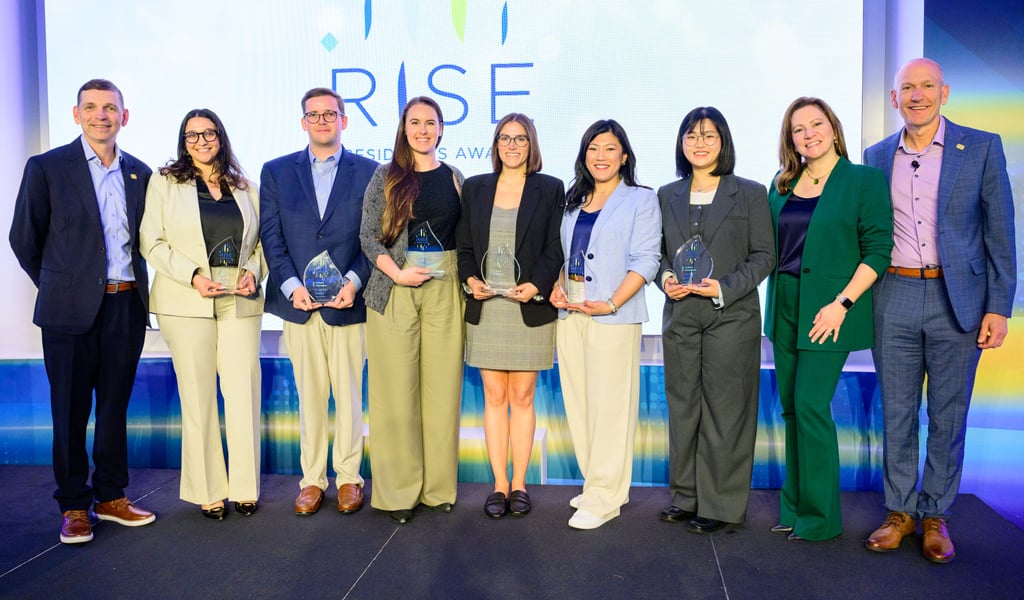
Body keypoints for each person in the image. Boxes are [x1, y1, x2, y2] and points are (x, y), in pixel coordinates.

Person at [863, 58, 1016, 563]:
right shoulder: (877, 155)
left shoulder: (983, 147)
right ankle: (899, 512)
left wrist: (1000, 306)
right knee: (898, 411)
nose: (917, 95)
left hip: (960, 300)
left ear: (944, 92)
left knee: (949, 414)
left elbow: (1000, 233)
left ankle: (935, 515)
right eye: (907, 88)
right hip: (896, 295)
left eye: (927, 86)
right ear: (894, 98)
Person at [10, 79, 156, 543]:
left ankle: (111, 496)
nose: (101, 116)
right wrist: (62, 286)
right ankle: (73, 503)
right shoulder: (48, 168)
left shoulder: (141, 173)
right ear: (76, 115)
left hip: (125, 306)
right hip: (68, 312)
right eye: (91, 108)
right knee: (69, 411)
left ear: (124, 117)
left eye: (110, 108)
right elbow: (24, 239)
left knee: (113, 409)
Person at [764, 97, 893, 542]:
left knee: (812, 407)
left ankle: (820, 519)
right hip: (784, 304)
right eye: (798, 129)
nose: (808, 134)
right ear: (791, 140)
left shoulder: (863, 180)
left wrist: (842, 303)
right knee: (791, 410)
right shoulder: (781, 185)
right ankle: (794, 508)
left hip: (829, 309)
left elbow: (878, 249)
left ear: (833, 129)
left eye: (816, 124)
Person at [656, 107, 776, 533]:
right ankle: (686, 496)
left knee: (726, 412)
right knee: (683, 408)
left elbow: (764, 255)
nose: (699, 143)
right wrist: (666, 277)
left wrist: (724, 286)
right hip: (681, 316)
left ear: (723, 142)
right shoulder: (666, 194)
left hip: (731, 316)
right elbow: (657, 255)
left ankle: (720, 505)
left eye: (709, 135)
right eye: (691, 135)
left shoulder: (750, 192)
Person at [140, 109, 263, 520]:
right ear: (183, 141)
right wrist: (192, 275)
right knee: (198, 396)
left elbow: (262, 245)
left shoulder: (245, 187)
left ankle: (245, 487)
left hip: (238, 299)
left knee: (242, 392)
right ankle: (209, 490)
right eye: (192, 135)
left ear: (221, 137)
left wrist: (253, 273)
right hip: (186, 300)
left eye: (208, 133)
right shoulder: (164, 182)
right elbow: (150, 242)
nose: (201, 141)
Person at [261, 88, 378, 517]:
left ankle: (349, 478)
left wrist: (353, 282)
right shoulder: (276, 172)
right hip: (300, 305)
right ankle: (312, 480)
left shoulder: (369, 172)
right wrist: (292, 285)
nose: (323, 121)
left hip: (349, 304)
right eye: (314, 114)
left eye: (331, 114)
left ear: (344, 120)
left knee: (348, 396)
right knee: (310, 398)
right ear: (303, 122)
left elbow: (374, 238)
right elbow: (271, 237)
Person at [549, 119, 661, 530]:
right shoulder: (572, 200)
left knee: (611, 408)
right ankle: (596, 483)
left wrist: (612, 303)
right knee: (580, 405)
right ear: (584, 155)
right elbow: (565, 255)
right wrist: (557, 288)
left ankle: (606, 496)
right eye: (594, 148)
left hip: (613, 316)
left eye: (610, 148)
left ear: (624, 156)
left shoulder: (641, 200)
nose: (601, 156)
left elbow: (647, 260)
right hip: (572, 315)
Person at [359, 96, 465, 524]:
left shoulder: (456, 177)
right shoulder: (384, 177)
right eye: (414, 122)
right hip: (394, 287)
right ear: (404, 129)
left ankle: (438, 488)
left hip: (445, 286)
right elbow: (368, 236)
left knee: (442, 392)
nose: (423, 129)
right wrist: (397, 273)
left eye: (430, 122)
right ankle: (398, 492)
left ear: (441, 129)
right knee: (395, 394)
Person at [456, 113, 564, 518]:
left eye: (520, 139)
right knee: (494, 396)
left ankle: (520, 483)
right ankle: (498, 484)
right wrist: (469, 279)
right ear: (496, 143)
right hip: (487, 308)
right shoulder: (476, 187)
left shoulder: (550, 188)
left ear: (531, 144)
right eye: (505, 138)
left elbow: (556, 246)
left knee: (522, 396)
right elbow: (464, 244)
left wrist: (536, 284)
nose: (513, 145)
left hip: (529, 306)